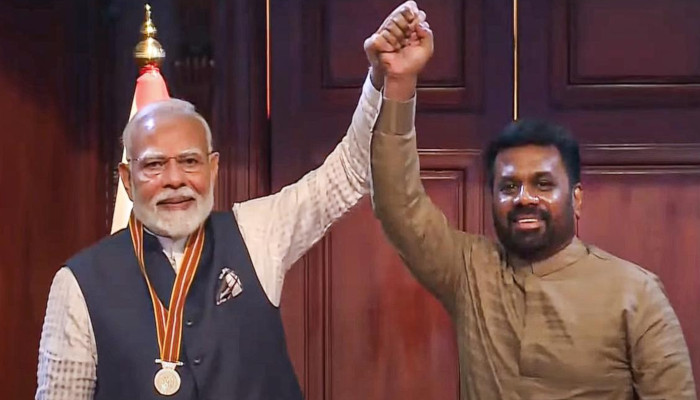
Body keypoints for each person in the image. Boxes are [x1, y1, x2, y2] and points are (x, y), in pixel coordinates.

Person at [35, 2, 426, 399]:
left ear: (213, 168)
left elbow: (347, 172)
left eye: (190, 161)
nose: (175, 179)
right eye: (154, 165)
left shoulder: (255, 233)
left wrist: (382, 77)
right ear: (127, 179)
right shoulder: (77, 284)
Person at [369, 17, 696, 400]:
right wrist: (399, 82)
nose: (524, 198)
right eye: (509, 186)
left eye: (543, 184)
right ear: (492, 198)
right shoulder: (470, 272)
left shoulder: (634, 292)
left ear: (576, 199)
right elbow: (398, 204)